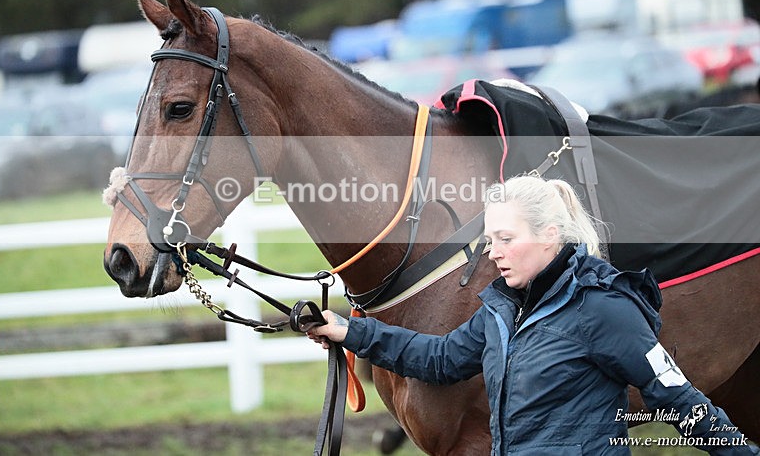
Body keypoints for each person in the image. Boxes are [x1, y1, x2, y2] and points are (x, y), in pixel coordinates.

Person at [308, 175, 758, 455]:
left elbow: (679, 399)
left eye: (505, 238)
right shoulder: (501, 309)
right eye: (489, 240)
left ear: (549, 235)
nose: (493, 252)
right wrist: (348, 331)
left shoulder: (603, 307)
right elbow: (440, 359)